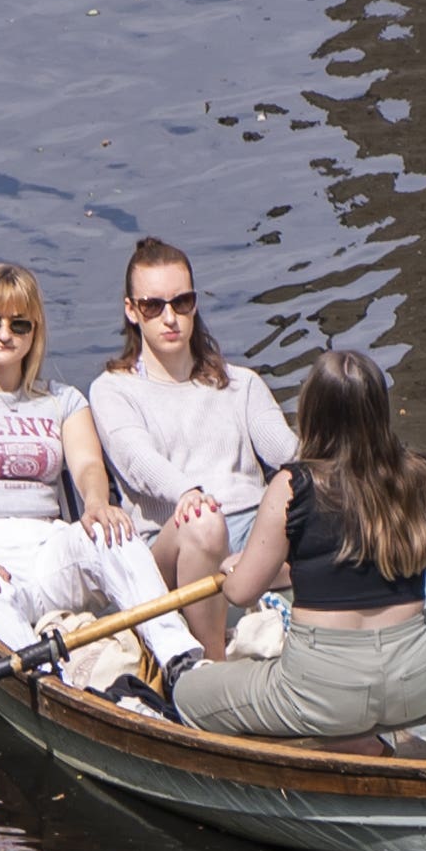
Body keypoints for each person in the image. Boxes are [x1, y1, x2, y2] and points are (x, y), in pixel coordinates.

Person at [0, 263, 203, 679]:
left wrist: (98, 503)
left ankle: (180, 658)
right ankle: (49, 683)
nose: (4, 334)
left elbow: (86, 465)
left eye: (18, 324)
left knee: (112, 531)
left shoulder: (63, 400)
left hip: (47, 544)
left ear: (35, 330)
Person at [172, 349, 426, 746]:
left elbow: (240, 592)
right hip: (416, 684)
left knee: (188, 694)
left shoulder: (293, 486)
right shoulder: (418, 475)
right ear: (379, 411)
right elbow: (406, 554)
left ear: (312, 412)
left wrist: (237, 568)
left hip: (325, 692)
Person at [90, 237, 298, 658]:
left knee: (317, 488)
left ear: (195, 304)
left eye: (181, 303)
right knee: (205, 521)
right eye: (154, 306)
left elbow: (290, 455)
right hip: (175, 539)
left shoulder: (242, 383)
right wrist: (187, 493)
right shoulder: (114, 389)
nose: (170, 318)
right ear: (132, 310)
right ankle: (212, 665)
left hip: (255, 531)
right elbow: (137, 460)